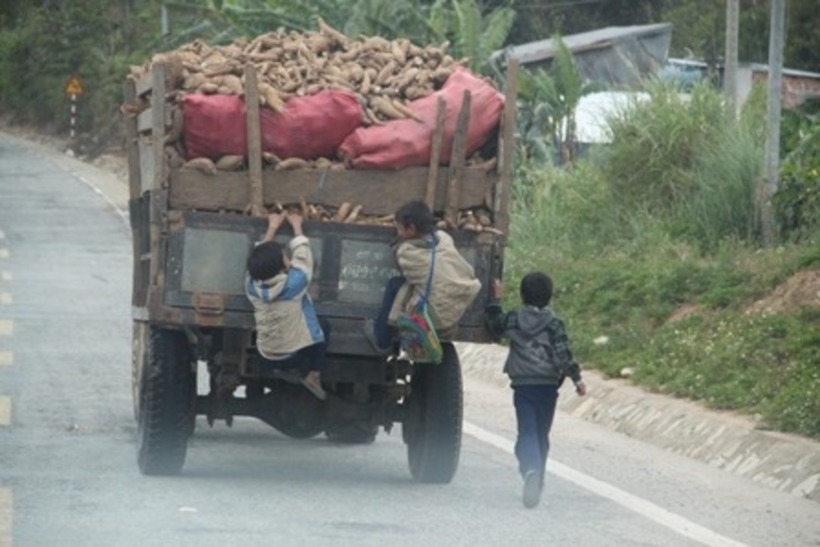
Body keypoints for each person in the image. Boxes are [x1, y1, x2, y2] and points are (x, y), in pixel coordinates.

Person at [486, 272, 587, 508]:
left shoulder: (513, 319)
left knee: (527, 433)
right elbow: (563, 356)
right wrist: (577, 379)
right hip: (548, 388)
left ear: (522, 295)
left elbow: (494, 324)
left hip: (523, 386)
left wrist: (495, 300)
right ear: (550, 297)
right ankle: (537, 476)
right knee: (541, 434)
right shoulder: (554, 325)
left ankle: (531, 470)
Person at [363, 199, 481, 355]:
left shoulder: (406, 253)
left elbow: (399, 259)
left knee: (395, 284)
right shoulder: (445, 239)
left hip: (429, 318)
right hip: (453, 315)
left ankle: (382, 339)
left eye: (399, 229)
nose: (398, 233)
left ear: (411, 229)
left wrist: (399, 242)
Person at [245, 210, 328, 400]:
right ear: (283, 267)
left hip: (265, 356)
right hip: (294, 357)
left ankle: (281, 371)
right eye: (285, 257)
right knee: (323, 326)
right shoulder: (293, 284)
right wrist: (297, 226)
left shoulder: (251, 286)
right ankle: (313, 373)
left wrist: (272, 227)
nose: (288, 259)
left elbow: (259, 259)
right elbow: (303, 258)